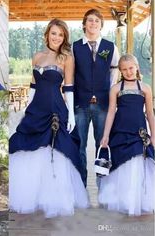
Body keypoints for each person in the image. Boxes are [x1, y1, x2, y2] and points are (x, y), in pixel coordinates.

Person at [9, 19, 89, 218]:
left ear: (64, 38)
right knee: (26, 147)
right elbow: (34, 85)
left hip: (55, 108)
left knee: (56, 149)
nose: (57, 38)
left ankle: (54, 197)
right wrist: (26, 108)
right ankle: (31, 195)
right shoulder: (37, 57)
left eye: (61, 35)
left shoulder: (66, 58)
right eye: (54, 33)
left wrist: (70, 114)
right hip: (36, 108)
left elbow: (69, 87)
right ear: (47, 34)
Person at [99, 54, 155, 216]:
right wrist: (106, 135)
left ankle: (136, 200)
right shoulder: (116, 89)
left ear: (137, 66)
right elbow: (110, 112)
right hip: (120, 131)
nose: (128, 72)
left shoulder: (145, 88)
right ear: (120, 71)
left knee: (137, 166)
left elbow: (150, 114)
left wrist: (153, 135)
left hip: (139, 132)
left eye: (131, 68)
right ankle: (122, 199)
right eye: (124, 69)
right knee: (121, 166)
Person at [72, 9, 120, 187]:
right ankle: (81, 183)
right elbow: (71, 73)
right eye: (90, 20)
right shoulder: (75, 46)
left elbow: (115, 68)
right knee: (80, 145)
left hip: (103, 104)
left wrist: (109, 90)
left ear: (101, 25)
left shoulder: (110, 46)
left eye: (97, 21)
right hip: (80, 104)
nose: (93, 24)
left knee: (103, 144)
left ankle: (103, 184)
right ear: (84, 24)